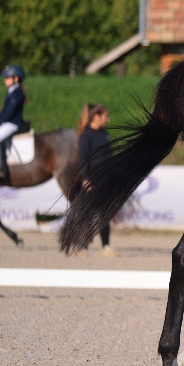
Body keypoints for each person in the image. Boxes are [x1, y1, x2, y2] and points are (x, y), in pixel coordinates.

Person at [76, 103, 115, 257]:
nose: (108, 119)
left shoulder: (104, 134)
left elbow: (109, 157)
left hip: (106, 179)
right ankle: (82, 246)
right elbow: (83, 159)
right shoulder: (86, 136)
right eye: (105, 115)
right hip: (92, 180)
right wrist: (86, 178)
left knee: (105, 214)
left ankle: (106, 246)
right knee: (88, 215)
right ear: (96, 117)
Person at [0, 64, 27, 180]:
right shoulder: (12, 91)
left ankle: (1, 167)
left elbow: (10, 112)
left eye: (7, 77)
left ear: (16, 79)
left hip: (13, 123)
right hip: (8, 121)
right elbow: (4, 111)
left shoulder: (17, 93)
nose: (5, 80)